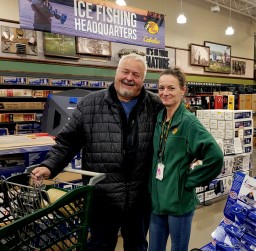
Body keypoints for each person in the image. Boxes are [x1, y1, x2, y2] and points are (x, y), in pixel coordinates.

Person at [31, 53, 163, 251]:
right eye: (125, 72)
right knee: (99, 246)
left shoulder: (156, 106)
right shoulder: (90, 103)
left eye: (136, 74)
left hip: (140, 197)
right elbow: (68, 141)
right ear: (116, 72)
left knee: (137, 246)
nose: (129, 78)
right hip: (102, 198)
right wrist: (50, 165)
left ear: (143, 80)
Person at [148, 67, 224, 251]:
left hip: (179, 202)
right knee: (154, 248)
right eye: (161, 88)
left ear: (183, 90)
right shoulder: (159, 118)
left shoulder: (189, 123)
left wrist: (188, 181)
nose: (165, 93)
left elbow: (215, 157)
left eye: (171, 88)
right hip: (156, 201)